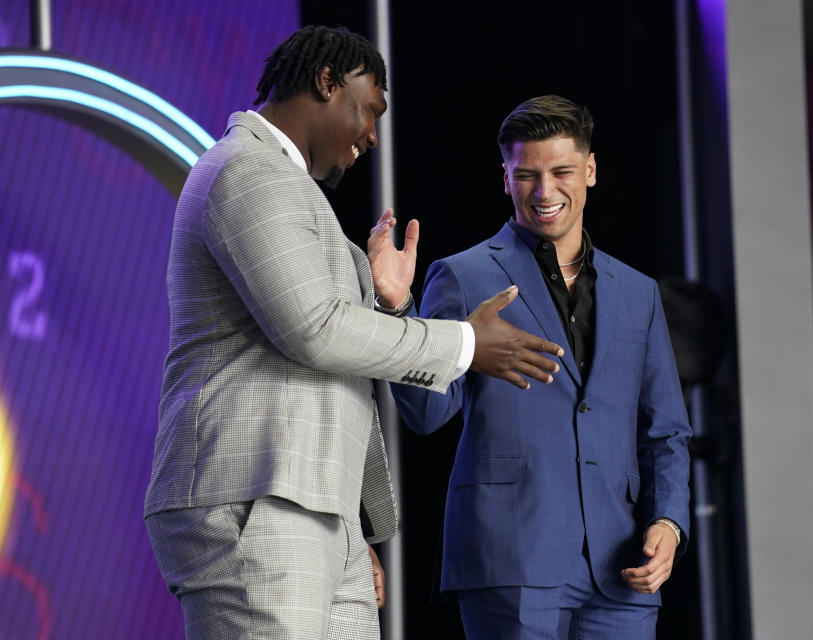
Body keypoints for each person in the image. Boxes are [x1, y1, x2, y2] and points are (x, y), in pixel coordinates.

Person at [143, 27, 562, 640]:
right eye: (371, 110)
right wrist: (464, 344)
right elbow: (315, 332)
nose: (372, 134)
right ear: (326, 81)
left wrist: (346, 520)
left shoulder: (288, 190)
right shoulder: (246, 172)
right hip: (255, 501)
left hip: (309, 510)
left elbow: (334, 361)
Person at [387, 95, 692, 638]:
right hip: (509, 559)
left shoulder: (638, 292)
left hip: (621, 570)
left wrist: (667, 523)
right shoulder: (462, 276)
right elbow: (425, 416)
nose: (545, 191)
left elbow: (665, 431)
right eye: (527, 174)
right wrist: (399, 312)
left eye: (561, 172)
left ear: (590, 171)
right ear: (505, 178)